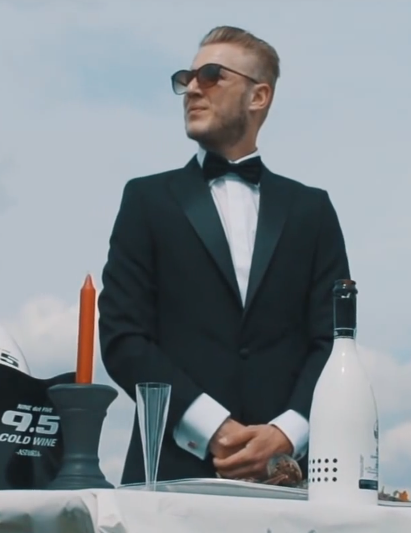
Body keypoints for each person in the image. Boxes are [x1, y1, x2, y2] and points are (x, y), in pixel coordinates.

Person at [97, 25, 350, 485]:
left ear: (259, 96)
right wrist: (215, 429)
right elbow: (123, 336)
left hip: (292, 482)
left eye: (212, 75)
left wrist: (287, 433)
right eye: (187, 78)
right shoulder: (146, 200)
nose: (192, 88)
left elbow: (333, 341)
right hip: (168, 476)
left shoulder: (312, 210)